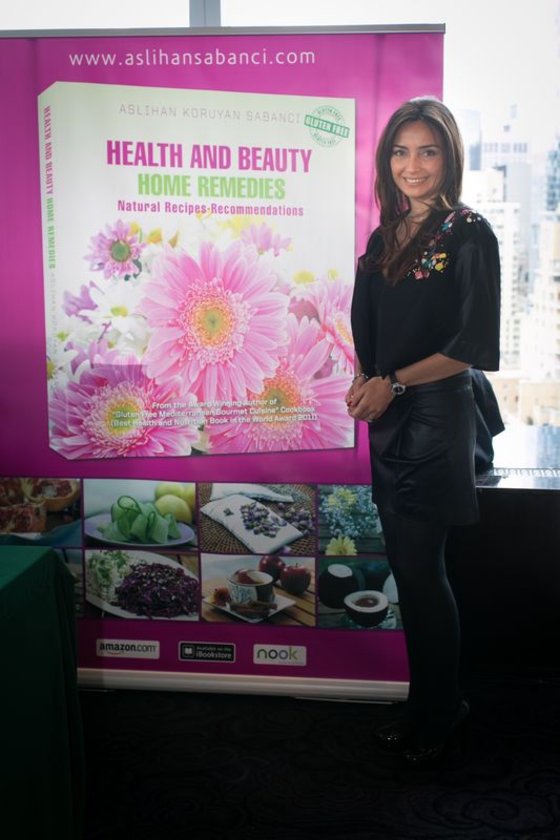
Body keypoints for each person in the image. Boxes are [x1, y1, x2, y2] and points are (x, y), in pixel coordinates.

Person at [347, 97, 501, 766]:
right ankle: (423, 701)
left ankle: (443, 710)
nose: (413, 165)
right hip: (390, 418)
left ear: (448, 159)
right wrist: (365, 381)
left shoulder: (469, 232)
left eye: (427, 151)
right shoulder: (383, 238)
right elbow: (372, 332)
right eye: (401, 151)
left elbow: (474, 345)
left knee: (422, 570)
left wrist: (395, 383)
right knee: (407, 574)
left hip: (437, 419)